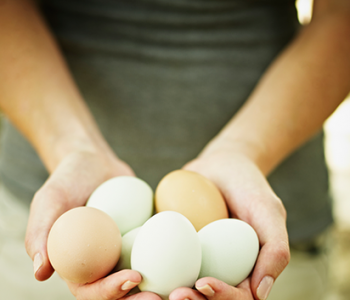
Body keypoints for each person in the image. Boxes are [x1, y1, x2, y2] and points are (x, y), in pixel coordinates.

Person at [0, 0, 349, 299]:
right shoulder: (78, 234)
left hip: (262, 217)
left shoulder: (242, 239)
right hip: (50, 202)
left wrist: (244, 150)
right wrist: (69, 146)